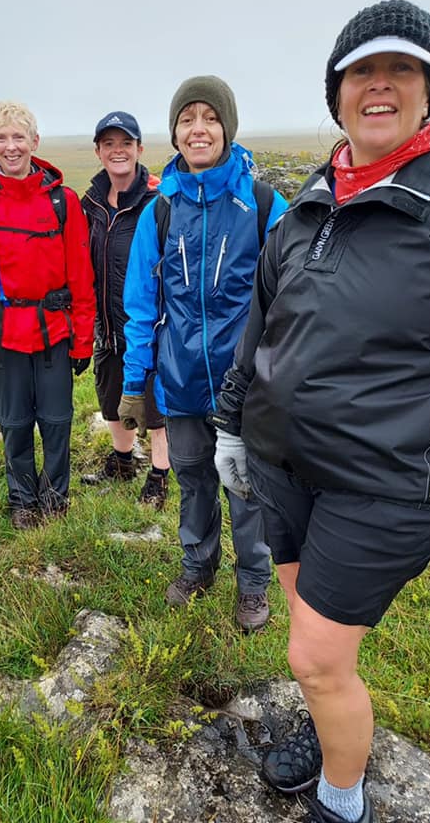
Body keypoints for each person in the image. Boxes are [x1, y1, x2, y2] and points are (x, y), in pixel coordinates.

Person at [212, 0, 430, 822]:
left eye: (400, 70)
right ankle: (326, 719)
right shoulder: (308, 204)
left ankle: (342, 800)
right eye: (361, 72)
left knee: (316, 655)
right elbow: (263, 327)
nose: (380, 86)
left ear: (428, 89)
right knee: (314, 645)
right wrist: (232, 424)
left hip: (388, 484)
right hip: (283, 466)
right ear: (336, 95)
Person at [119, 76, 288, 632]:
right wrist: (135, 382)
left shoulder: (263, 204)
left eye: (209, 118)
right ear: (174, 134)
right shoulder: (160, 210)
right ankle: (198, 565)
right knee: (193, 480)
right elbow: (142, 303)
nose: (198, 129)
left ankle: (254, 585)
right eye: (187, 119)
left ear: (227, 128)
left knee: (246, 486)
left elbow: (295, 296)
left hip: (248, 384)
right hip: (182, 379)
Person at [0, 101, 95, 529]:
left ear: (35, 141)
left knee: (56, 422)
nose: (11, 147)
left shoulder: (63, 201)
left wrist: (83, 339)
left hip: (54, 333)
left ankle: (54, 499)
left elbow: (81, 278)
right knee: (13, 424)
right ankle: (22, 500)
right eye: (2, 137)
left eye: (19, 137)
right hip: (1, 335)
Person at [80, 111, 171, 508]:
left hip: (149, 324)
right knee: (110, 397)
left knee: (155, 404)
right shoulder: (91, 204)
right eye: (109, 144)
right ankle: (121, 462)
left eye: (126, 143)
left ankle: (159, 474)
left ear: (139, 149)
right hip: (106, 324)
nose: (118, 151)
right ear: (98, 151)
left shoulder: (157, 202)